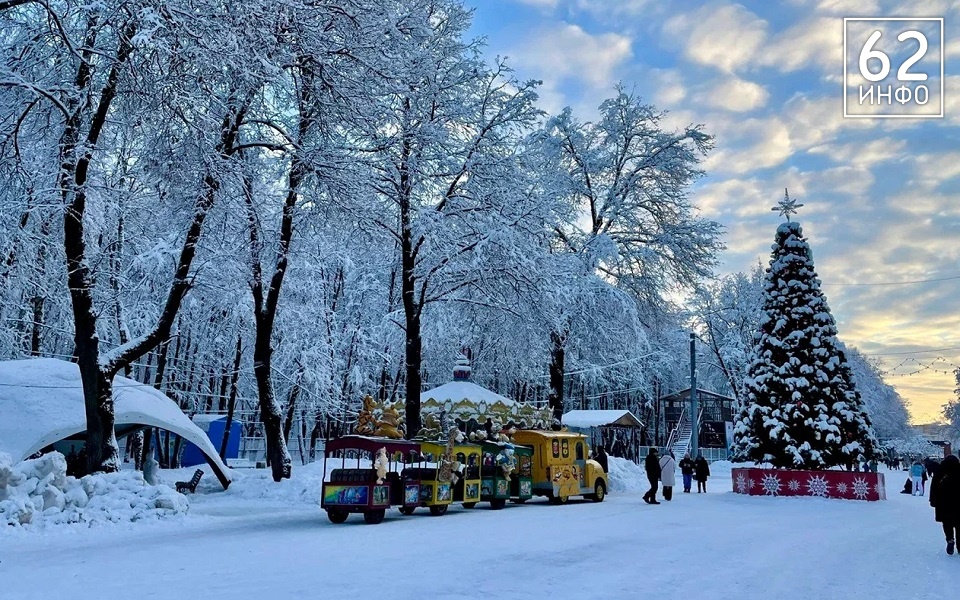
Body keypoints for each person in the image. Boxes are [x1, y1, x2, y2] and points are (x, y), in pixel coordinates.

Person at [929, 454, 960, 555]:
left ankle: (950, 540)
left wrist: (932, 500)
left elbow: (934, 486)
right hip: (958, 503)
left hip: (943, 503)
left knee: (947, 523)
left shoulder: (940, 471)